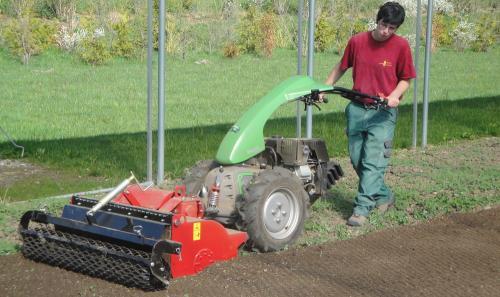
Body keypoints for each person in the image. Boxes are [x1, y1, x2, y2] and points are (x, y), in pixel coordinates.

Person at [324, 2, 416, 226]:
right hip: (357, 110)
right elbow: (341, 66)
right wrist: (325, 86)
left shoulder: (401, 46)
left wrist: (394, 95)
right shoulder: (357, 41)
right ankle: (383, 195)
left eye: (392, 28)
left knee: (373, 163)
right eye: (384, 25)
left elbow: (406, 79)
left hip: (382, 113)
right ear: (378, 20)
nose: (386, 31)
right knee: (358, 161)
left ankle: (361, 208)